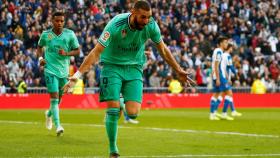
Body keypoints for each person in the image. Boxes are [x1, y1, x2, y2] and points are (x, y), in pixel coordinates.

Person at [63, 1, 195, 157]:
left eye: (149, 17)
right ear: (133, 13)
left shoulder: (151, 25)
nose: (146, 21)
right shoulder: (115, 25)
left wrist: (178, 69)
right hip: (111, 66)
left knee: (133, 113)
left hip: (134, 68)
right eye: (143, 17)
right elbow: (96, 52)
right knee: (112, 108)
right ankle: (113, 149)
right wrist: (76, 76)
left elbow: (163, 50)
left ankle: (120, 106)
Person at [37, 11, 80, 136]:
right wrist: (40, 59)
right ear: (52, 21)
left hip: (63, 72)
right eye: (57, 21)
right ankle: (58, 126)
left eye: (62, 21)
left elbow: (77, 51)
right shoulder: (46, 35)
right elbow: (39, 47)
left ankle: (49, 114)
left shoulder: (70, 34)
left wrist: (66, 53)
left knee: (59, 99)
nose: (59, 23)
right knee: (54, 98)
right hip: (50, 70)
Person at [217, 44, 242, 120]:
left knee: (227, 94)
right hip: (224, 77)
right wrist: (236, 74)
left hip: (223, 77)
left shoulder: (223, 55)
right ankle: (222, 113)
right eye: (231, 48)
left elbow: (224, 66)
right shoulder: (227, 56)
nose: (232, 50)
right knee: (227, 94)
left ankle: (232, 111)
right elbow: (230, 67)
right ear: (230, 48)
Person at [209, 36, 228, 120]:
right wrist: (217, 78)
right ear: (221, 43)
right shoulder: (219, 51)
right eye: (225, 42)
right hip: (218, 75)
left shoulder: (218, 51)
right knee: (227, 92)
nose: (226, 44)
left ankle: (213, 114)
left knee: (217, 94)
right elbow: (216, 66)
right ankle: (218, 113)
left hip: (217, 74)